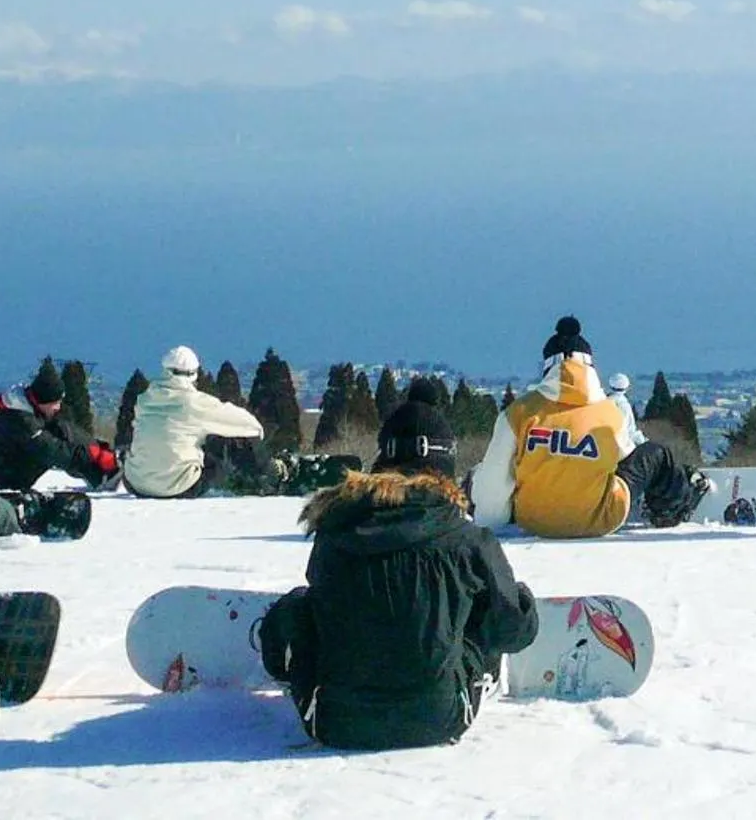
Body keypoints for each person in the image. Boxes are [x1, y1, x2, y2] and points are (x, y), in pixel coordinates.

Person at [260, 399, 538, 751]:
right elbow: (512, 632)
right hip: (441, 717)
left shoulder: (335, 529)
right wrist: (517, 599)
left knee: (305, 604)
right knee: (479, 609)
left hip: (332, 720)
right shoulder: (465, 538)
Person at [470, 318, 707, 538]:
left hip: (534, 520)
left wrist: (490, 520)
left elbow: (495, 477)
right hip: (601, 519)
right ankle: (672, 509)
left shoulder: (520, 412)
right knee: (656, 454)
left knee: (486, 467)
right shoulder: (608, 411)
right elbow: (627, 456)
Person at [123, 346, 265, 499]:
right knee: (224, 435)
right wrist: (259, 432)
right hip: (180, 486)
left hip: (136, 483)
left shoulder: (144, 400)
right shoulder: (194, 403)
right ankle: (260, 482)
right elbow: (244, 423)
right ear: (193, 373)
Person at [0, 364, 119, 493]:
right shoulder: (20, 418)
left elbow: (66, 432)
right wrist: (86, 455)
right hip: (6, 476)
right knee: (54, 448)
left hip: (16, 461)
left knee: (61, 427)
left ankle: (102, 463)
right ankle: (98, 474)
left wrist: (95, 448)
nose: (58, 407)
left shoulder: (32, 408)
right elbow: (50, 450)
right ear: (42, 400)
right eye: (55, 403)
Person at [606, 373, 645, 450]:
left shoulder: (603, 402)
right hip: (621, 446)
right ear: (626, 387)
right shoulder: (623, 405)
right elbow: (630, 429)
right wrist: (643, 442)